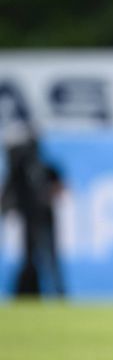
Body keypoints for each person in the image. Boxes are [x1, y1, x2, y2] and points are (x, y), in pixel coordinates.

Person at [1, 124, 66, 298]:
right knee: (33, 257)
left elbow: (61, 188)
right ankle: (30, 292)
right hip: (31, 218)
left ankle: (56, 293)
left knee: (48, 257)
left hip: (42, 217)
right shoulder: (21, 169)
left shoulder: (43, 168)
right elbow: (9, 191)